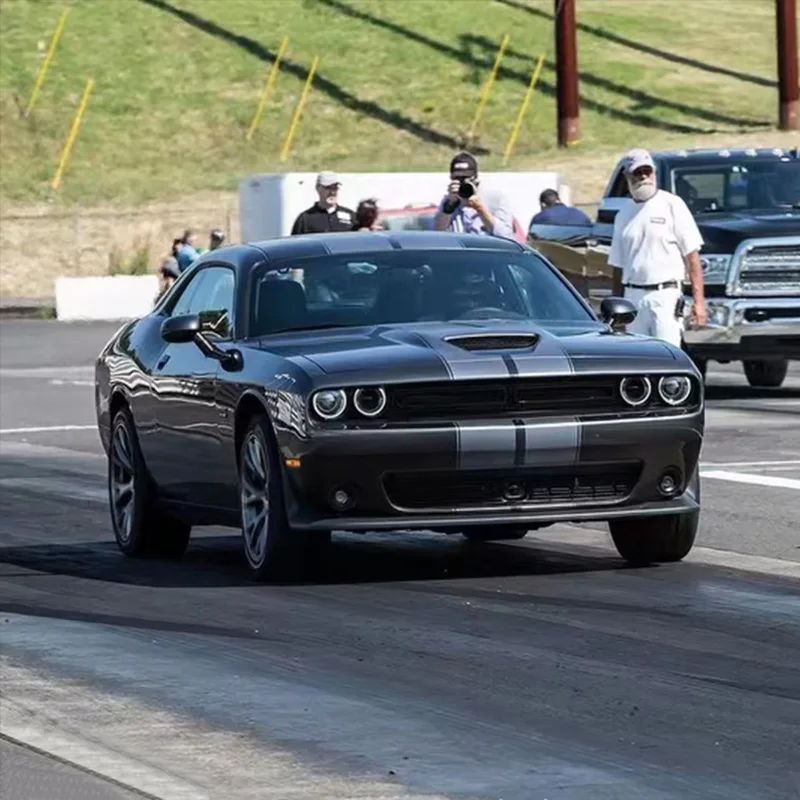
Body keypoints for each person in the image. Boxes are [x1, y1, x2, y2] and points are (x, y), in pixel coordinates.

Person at [608, 148, 707, 347]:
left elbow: (692, 256)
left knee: (668, 354)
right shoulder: (623, 214)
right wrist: (617, 307)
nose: (644, 177)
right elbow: (617, 265)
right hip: (632, 296)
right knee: (637, 358)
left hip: (666, 294)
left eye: (648, 171)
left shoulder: (672, 204)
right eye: (638, 172)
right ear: (627, 176)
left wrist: (699, 302)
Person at [433, 151, 514, 239]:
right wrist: (449, 206)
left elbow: (506, 235)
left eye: (466, 178)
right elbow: (437, 234)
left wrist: (480, 209)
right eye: (457, 178)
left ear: (475, 178)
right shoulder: (449, 201)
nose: (461, 182)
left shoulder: (495, 198)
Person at [290, 171, 356, 234]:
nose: (332, 192)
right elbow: (294, 243)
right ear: (317, 188)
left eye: (335, 188)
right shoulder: (305, 219)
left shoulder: (351, 216)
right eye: (328, 188)